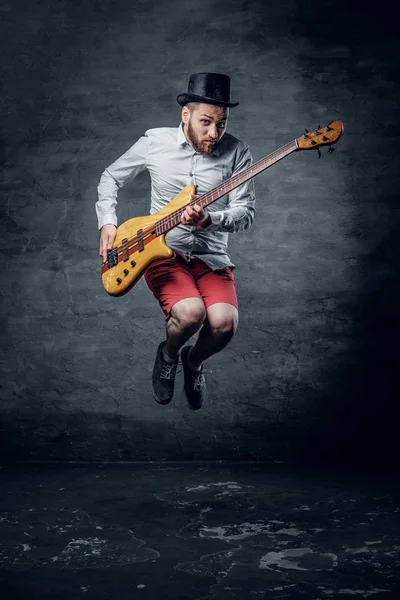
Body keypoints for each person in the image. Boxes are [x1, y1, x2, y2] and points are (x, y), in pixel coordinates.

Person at [96, 72, 256, 410]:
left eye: (221, 124)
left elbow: (246, 213)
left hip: (212, 256)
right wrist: (108, 223)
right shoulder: (156, 142)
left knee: (224, 325)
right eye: (206, 122)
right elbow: (111, 176)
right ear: (186, 115)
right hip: (162, 251)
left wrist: (211, 218)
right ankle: (167, 355)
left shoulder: (238, 152)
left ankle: (193, 362)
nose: (214, 133)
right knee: (191, 314)